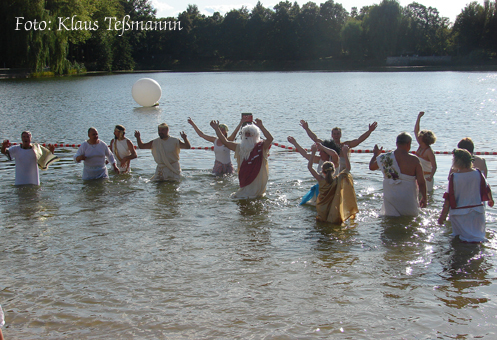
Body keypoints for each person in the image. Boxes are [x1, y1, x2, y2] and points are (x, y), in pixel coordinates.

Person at [438, 148, 494, 242]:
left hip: (460, 215)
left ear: (456, 161)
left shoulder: (454, 177)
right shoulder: (478, 173)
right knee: (478, 239)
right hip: (477, 212)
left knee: (459, 242)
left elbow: (448, 199)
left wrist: (442, 216)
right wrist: (490, 200)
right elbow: (487, 188)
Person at [210, 119, 273, 198]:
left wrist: (261, 126)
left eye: (249, 134)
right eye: (245, 134)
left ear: (255, 136)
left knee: (256, 197)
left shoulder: (261, 147)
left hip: (257, 181)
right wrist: (216, 129)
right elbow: (225, 142)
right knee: (242, 197)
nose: (247, 136)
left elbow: (270, 139)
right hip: (245, 179)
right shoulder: (240, 147)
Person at [369, 132, 427, 216]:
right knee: (410, 221)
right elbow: (421, 182)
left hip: (391, 197)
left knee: (390, 222)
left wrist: (375, 155)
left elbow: (371, 167)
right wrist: (424, 198)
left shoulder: (384, 157)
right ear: (409, 144)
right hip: (408, 197)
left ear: (396, 144)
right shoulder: (414, 160)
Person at [307, 143, 358, 223]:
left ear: (322, 171)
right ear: (334, 171)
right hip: (334, 209)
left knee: (321, 225)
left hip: (322, 209)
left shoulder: (320, 179)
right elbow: (348, 168)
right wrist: (345, 153)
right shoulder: (337, 179)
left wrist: (313, 152)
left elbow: (309, 167)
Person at [300, 119, 378, 170]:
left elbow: (358, 140)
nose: (336, 136)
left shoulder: (345, 145)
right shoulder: (327, 146)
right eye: (334, 134)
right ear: (332, 135)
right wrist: (307, 129)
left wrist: (369, 131)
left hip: (343, 173)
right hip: (332, 173)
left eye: (338, 134)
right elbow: (315, 139)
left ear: (340, 135)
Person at [287, 136, 340, 205]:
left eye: (321, 152)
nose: (320, 153)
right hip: (321, 189)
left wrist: (322, 146)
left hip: (333, 190)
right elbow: (305, 155)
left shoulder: (334, 162)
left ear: (327, 152)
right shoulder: (320, 160)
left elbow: (334, 153)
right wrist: (294, 143)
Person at [414, 111, 437, 192]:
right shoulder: (420, 146)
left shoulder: (429, 151)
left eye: (419, 137)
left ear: (423, 139)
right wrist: (418, 118)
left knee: (426, 195)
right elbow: (416, 131)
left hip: (427, 177)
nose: (417, 137)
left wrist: (431, 176)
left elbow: (434, 166)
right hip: (418, 176)